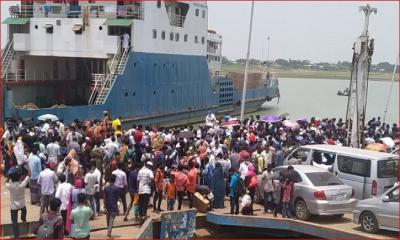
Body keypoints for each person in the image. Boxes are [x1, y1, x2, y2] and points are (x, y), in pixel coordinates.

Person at [6, 166, 30, 239]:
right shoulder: (22, 185)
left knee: (14, 222)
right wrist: (27, 166)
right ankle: (23, 219)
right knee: (24, 211)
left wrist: (10, 176)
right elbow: (29, 175)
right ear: (19, 177)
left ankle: (17, 237)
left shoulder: (9, 185)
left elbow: (6, 181)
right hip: (22, 204)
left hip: (13, 206)